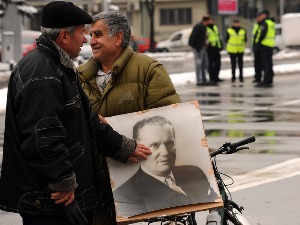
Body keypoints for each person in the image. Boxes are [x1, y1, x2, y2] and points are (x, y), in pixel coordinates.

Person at [0, 2, 151, 225]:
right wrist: (62, 181)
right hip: (49, 200)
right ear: (63, 36)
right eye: (82, 32)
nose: (85, 40)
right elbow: (43, 138)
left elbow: (87, 121)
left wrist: (121, 146)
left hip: (58, 199)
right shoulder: (43, 73)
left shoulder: (58, 67)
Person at [77, 11, 181, 225]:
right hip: (91, 186)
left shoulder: (149, 71)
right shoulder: (80, 77)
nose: (91, 40)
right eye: (90, 34)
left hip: (137, 186)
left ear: (118, 38)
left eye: (98, 34)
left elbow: (170, 121)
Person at [113, 116, 218, 217]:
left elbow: (214, 204)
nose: (165, 152)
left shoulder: (194, 172)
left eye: (169, 144)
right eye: (155, 145)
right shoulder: (125, 195)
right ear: (138, 148)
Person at [253, 9, 275, 87]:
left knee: (266, 64)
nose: (259, 17)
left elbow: (262, 34)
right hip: (268, 45)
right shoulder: (270, 23)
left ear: (265, 15)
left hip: (264, 45)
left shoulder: (265, 23)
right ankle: (268, 79)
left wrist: (258, 42)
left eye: (261, 15)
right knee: (268, 63)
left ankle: (267, 80)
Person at [188, 15, 210, 86]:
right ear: (206, 21)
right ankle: (199, 80)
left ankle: (204, 79)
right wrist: (194, 46)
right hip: (198, 48)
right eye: (209, 21)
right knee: (199, 64)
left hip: (202, 47)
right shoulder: (199, 26)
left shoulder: (203, 27)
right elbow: (193, 36)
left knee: (205, 63)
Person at [206, 17, 223, 84]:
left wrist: (220, 45)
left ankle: (216, 77)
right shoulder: (206, 28)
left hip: (216, 48)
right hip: (210, 49)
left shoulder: (215, 27)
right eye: (210, 20)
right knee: (210, 64)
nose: (212, 21)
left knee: (218, 64)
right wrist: (208, 45)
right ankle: (211, 78)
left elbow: (218, 37)